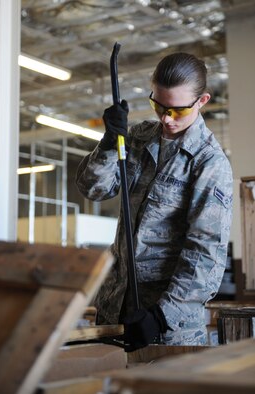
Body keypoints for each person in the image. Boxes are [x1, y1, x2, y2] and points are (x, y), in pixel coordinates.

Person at [76, 52, 233, 350]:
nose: (165, 118)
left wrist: (160, 317)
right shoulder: (137, 138)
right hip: (114, 310)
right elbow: (94, 189)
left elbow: (205, 255)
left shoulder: (208, 163)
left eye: (177, 110)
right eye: (158, 105)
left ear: (202, 101)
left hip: (166, 327)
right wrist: (109, 142)